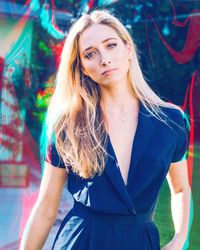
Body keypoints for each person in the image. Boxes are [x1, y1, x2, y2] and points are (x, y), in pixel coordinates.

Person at [20, 9, 191, 250]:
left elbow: (181, 188)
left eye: (111, 45)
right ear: (81, 68)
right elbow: (47, 208)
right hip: (81, 241)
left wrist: (179, 238)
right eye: (90, 54)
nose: (104, 59)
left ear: (128, 49)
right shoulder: (67, 125)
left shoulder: (171, 121)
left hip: (140, 243)